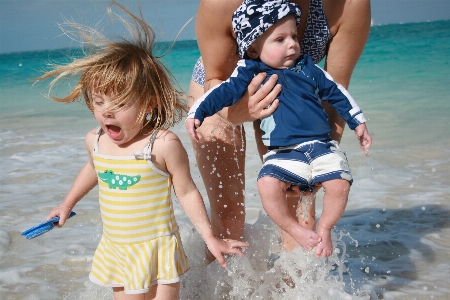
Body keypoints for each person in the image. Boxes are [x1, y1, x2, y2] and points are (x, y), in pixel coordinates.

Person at [36, 2, 248, 299]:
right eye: (99, 102)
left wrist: (210, 237)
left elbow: (186, 192)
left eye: (120, 103)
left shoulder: (162, 146)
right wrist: (67, 203)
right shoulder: (95, 141)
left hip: (158, 247)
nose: (107, 113)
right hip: (119, 250)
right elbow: (93, 168)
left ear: (148, 103)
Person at [186, 0, 372, 258]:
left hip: (295, 100)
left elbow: (333, 93)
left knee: (301, 212)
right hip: (221, 91)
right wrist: (244, 111)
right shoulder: (221, 3)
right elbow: (215, 77)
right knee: (229, 216)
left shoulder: (348, 4)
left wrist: (321, 160)